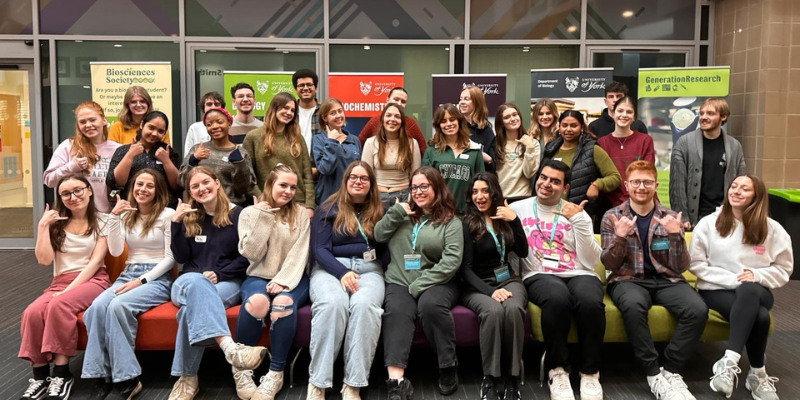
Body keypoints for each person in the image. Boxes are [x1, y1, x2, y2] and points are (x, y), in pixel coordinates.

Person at [600, 160, 707, 400]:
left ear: (656, 185)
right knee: (633, 306)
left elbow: (680, 267)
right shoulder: (612, 216)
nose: (641, 187)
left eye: (647, 182)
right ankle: (652, 372)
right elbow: (609, 265)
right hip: (627, 280)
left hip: (666, 280)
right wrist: (619, 238)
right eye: (636, 182)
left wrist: (675, 236)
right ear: (627, 185)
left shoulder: (669, 217)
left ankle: (670, 370)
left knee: (697, 309)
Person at [690, 174, 793, 400]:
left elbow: (784, 269)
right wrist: (735, 279)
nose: (736, 191)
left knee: (749, 290)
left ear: (756, 197)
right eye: (734, 186)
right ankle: (757, 374)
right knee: (761, 317)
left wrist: (756, 275)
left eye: (744, 189)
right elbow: (696, 264)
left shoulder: (772, 229)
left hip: (758, 289)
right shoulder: (709, 224)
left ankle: (729, 362)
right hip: (716, 289)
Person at [168, 166, 267, 400]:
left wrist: (220, 274)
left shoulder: (238, 214)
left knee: (187, 313)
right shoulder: (189, 217)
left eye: (205, 182)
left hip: (226, 282)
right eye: (195, 187)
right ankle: (233, 353)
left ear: (217, 183)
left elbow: (247, 257)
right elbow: (181, 258)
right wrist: (175, 224)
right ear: (190, 193)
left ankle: (187, 378)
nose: (201, 189)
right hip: (187, 281)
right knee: (195, 283)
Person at [509, 159, 605, 400]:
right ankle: (557, 370)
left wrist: (577, 221)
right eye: (543, 177)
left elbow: (592, 260)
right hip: (539, 274)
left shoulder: (576, 212)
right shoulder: (517, 209)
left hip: (579, 272)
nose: (546, 184)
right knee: (556, 298)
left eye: (555, 181)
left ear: (565, 188)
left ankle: (590, 371)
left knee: (591, 301)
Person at [81, 169, 175, 399]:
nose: (142, 189)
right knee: (96, 308)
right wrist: (113, 218)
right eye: (139, 185)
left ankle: (128, 377)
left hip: (156, 278)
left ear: (158, 190)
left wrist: (141, 280)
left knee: (118, 306)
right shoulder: (125, 215)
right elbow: (114, 250)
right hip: (128, 273)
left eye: (149, 186)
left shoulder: (168, 214)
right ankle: (100, 374)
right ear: (132, 188)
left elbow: (171, 257)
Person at [374, 166, 463, 400]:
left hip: (438, 281)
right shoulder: (401, 214)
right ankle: (397, 382)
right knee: (396, 310)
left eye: (424, 186)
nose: (419, 191)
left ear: (437, 188)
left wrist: (419, 285)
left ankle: (447, 366)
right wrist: (396, 212)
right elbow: (379, 235)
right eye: (414, 187)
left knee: (430, 306)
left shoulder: (450, 221)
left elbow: (452, 261)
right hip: (399, 280)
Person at [19, 175, 111, 400]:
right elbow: (43, 260)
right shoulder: (56, 223)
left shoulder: (104, 220)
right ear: (60, 198)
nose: (73, 197)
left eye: (78, 190)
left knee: (59, 304)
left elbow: (95, 263)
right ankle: (40, 377)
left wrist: (67, 291)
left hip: (93, 280)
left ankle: (61, 373)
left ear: (89, 191)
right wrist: (43, 226)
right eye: (66, 194)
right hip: (59, 282)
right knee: (32, 312)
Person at [307, 161, 387, 400]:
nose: (358, 181)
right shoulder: (328, 207)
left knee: (365, 307)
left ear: (371, 183)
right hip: (331, 268)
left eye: (364, 178)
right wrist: (341, 273)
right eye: (353, 177)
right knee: (332, 305)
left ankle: (353, 383)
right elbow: (319, 249)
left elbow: (385, 249)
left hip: (369, 270)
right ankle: (318, 382)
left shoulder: (379, 209)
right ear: (346, 180)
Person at [235, 164, 311, 400]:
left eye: (293, 187)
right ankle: (242, 370)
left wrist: (283, 281)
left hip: (294, 277)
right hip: (258, 275)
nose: (288, 191)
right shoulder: (249, 213)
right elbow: (252, 253)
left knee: (283, 305)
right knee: (258, 302)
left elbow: (301, 253)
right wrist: (264, 216)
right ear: (269, 185)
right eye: (283, 185)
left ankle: (275, 373)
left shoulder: (301, 214)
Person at [459, 172, 529, 400]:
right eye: (475, 192)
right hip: (478, 285)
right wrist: (491, 291)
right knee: (493, 311)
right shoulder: (466, 223)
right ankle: (489, 378)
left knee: (514, 309)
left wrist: (514, 220)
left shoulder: (503, 217)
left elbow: (522, 252)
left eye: (485, 191)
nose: (480, 196)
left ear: (494, 193)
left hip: (507, 278)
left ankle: (512, 379)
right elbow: (465, 270)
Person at [670, 98, 746, 230]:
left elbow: (741, 180)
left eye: (710, 114)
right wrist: (683, 216)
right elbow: (677, 185)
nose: (703, 117)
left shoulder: (734, 146)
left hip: (724, 217)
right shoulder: (684, 143)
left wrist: (738, 214)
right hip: (695, 218)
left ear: (723, 116)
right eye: (701, 113)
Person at [539, 110, 621, 229]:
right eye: (564, 125)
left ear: (582, 127)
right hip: (550, 212)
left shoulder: (592, 149)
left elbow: (615, 177)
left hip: (578, 214)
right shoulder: (551, 148)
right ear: (559, 126)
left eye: (574, 125)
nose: (568, 129)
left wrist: (597, 185)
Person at [243, 92, 315, 216]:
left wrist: (309, 206)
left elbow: (307, 175)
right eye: (285, 108)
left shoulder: (298, 138)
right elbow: (248, 176)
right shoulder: (253, 137)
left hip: (297, 203)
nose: (289, 113)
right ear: (274, 108)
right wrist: (261, 198)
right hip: (267, 205)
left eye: (292, 110)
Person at [44, 101, 120, 213]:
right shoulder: (68, 146)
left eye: (92, 120)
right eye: (82, 122)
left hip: (109, 217)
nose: (88, 125)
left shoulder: (117, 149)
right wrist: (71, 167)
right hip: (75, 218)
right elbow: (49, 181)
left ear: (104, 120)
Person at [180, 107, 257, 207]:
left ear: (229, 123)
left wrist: (240, 164)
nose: (214, 126)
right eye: (209, 124)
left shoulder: (241, 153)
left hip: (231, 212)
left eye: (219, 122)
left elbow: (245, 189)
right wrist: (193, 160)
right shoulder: (197, 150)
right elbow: (182, 181)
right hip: (202, 211)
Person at [107, 111, 182, 209]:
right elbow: (114, 183)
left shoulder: (168, 152)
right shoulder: (123, 150)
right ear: (142, 124)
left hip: (163, 212)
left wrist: (166, 161)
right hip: (131, 211)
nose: (154, 133)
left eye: (160, 131)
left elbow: (179, 186)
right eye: (151, 128)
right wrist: (129, 156)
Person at [423, 103, 485, 214]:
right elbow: (425, 184)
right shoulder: (431, 150)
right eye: (443, 121)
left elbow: (481, 183)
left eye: (452, 119)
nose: (448, 124)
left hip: (468, 213)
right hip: (439, 212)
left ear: (459, 121)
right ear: (438, 125)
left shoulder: (474, 150)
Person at [597, 97, 655, 208]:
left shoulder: (645, 140)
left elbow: (647, 173)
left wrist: (631, 201)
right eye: (620, 111)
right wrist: (621, 203)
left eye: (629, 112)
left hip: (642, 202)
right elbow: (605, 177)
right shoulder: (602, 143)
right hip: (612, 205)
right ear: (613, 114)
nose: (624, 115)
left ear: (634, 117)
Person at [361, 103, 421, 208]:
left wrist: (411, 199)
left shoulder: (412, 143)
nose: (392, 119)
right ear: (382, 120)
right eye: (388, 115)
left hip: (403, 197)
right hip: (377, 198)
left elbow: (415, 176)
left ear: (402, 122)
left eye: (397, 116)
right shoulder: (371, 142)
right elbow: (366, 175)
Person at [311, 98, 361, 205]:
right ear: (325, 118)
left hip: (350, 199)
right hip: (327, 200)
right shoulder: (318, 139)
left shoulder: (354, 140)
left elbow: (359, 170)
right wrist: (331, 141)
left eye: (340, 111)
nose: (338, 116)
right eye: (333, 113)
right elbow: (325, 169)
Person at [358, 87, 427, 153]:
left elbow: (423, 149)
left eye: (403, 101)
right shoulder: (374, 122)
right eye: (396, 99)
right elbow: (358, 145)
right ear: (387, 99)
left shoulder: (411, 124)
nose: (399, 103)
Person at [494, 103, 540, 201]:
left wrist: (530, 148)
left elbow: (529, 173)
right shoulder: (495, 143)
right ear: (501, 122)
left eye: (515, 114)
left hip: (523, 198)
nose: (513, 119)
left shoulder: (532, 143)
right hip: (500, 198)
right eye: (507, 117)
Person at [459, 85, 496, 172]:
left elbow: (493, 166)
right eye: (461, 99)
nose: (461, 102)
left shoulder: (487, 131)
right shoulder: (457, 127)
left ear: (477, 102)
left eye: (466, 99)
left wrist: (487, 159)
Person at [293, 69, 321, 155]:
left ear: (315, 88)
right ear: (295, 89)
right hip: (293, 163)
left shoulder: (325, 111)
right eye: (301, 85)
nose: (305, 88)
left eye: (309, 85)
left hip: (318, 165)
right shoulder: (290, 112)